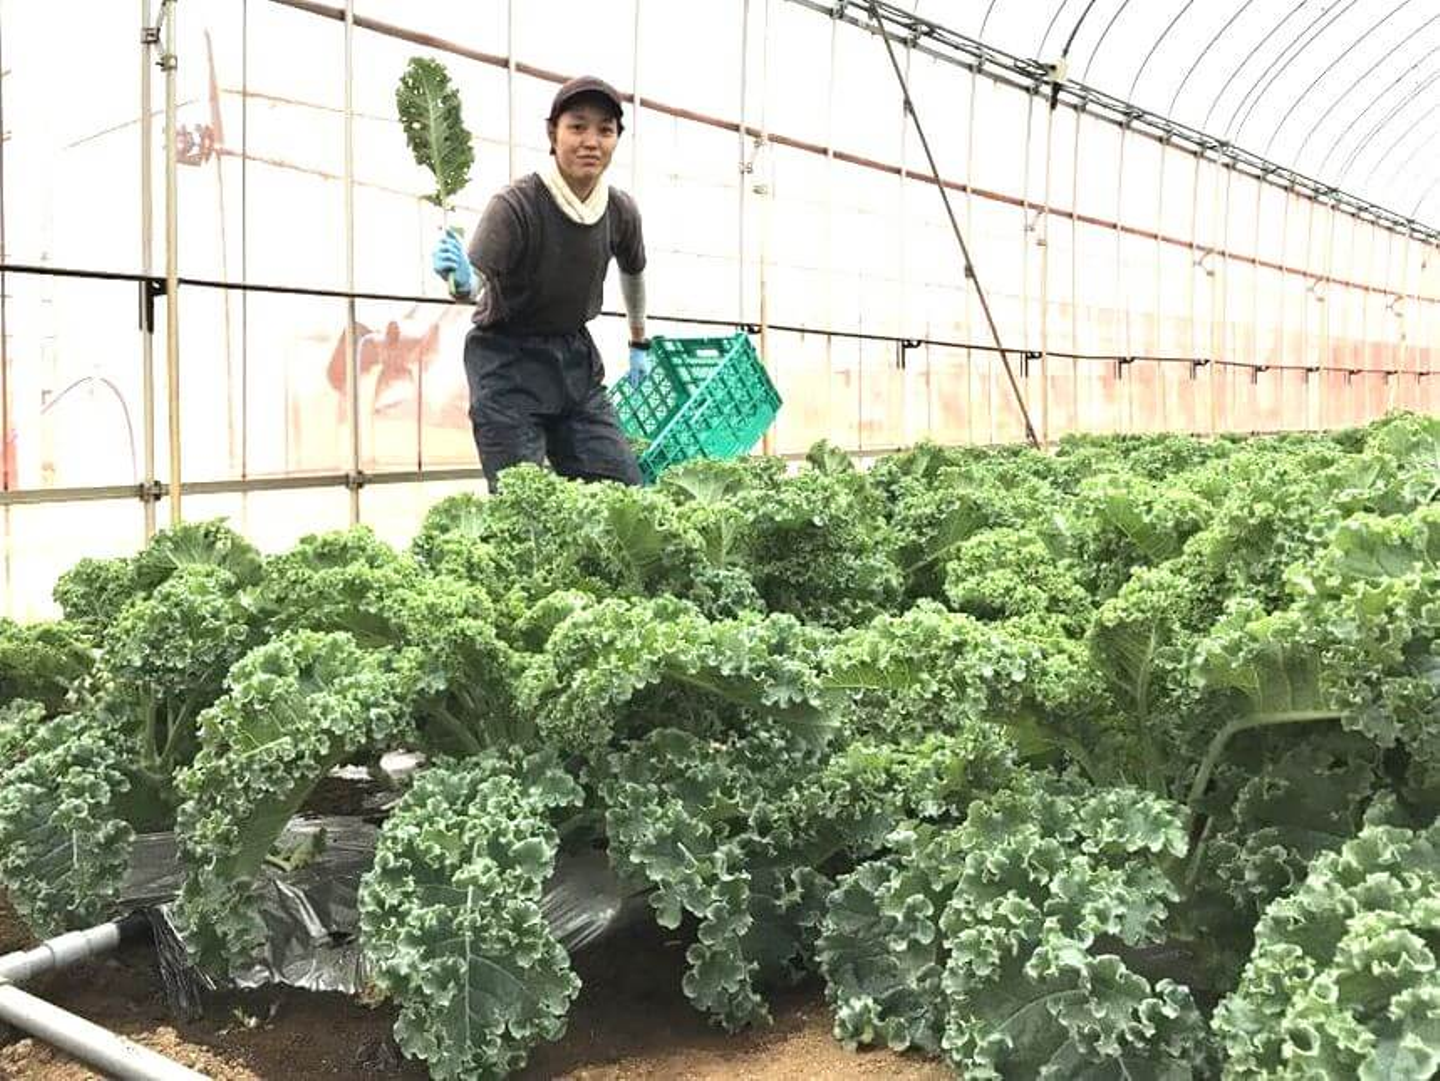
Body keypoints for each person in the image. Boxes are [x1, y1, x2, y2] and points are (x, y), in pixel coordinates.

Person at [432, 75, 651, 491]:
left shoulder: (620, 210)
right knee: (524, 502)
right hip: (507, 361)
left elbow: (634, 270)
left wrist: (639, 342)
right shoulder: (517, 204)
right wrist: (459, 281)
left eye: (605, 130)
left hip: (574, 360)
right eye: (577, 127)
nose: (591, 142)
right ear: (553, 133)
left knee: (622, 491)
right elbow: (474, 284)